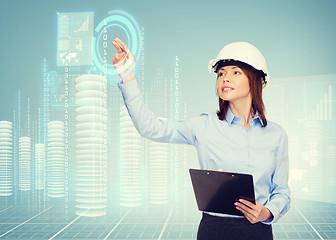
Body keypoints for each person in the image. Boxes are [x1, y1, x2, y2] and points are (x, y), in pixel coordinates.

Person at [112, 37, 290, 240]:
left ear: (255, 79)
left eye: (235, 72)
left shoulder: (276, 135)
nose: (225, 78)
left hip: (257, 231)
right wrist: (126, 74)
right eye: (221, 73)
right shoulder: (203, 126)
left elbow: (282, 191)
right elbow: (149, 127)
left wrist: (266, 213)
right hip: (214, 229)